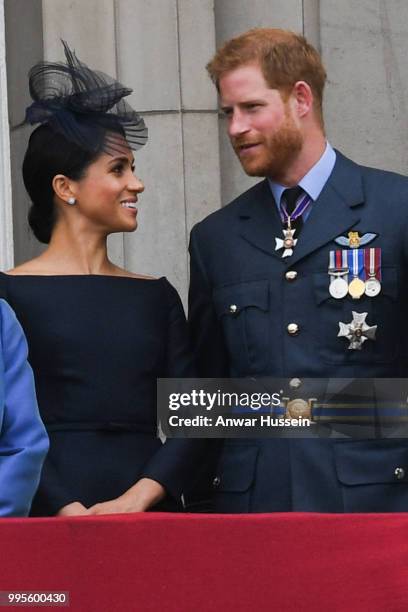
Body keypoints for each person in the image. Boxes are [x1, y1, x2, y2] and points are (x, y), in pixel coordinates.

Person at [188, 28, 408, 512]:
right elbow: (209, 399)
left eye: (251, 108)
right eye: (228, 113)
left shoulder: (397, 209)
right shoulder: (215, 238)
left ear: (301, 99)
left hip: (376, 504)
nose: (234, 128)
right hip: (253, 509)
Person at [0, 41, 204, 517]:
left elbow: (194, 417)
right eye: (119, 169)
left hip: (149, 517)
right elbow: (9, 429)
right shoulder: (7, 294)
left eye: (133, 168)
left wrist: (140, 498)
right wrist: (64, 506)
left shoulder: (155, 295)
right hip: (40, 514)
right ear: (65, 187)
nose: (137, 183)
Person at [0, 299, 48, 516]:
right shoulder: (15, 288)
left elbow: (169, 414)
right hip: (54, 486)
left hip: (142, 480)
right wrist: (62, 500)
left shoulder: (160, 296)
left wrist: (156, 480)